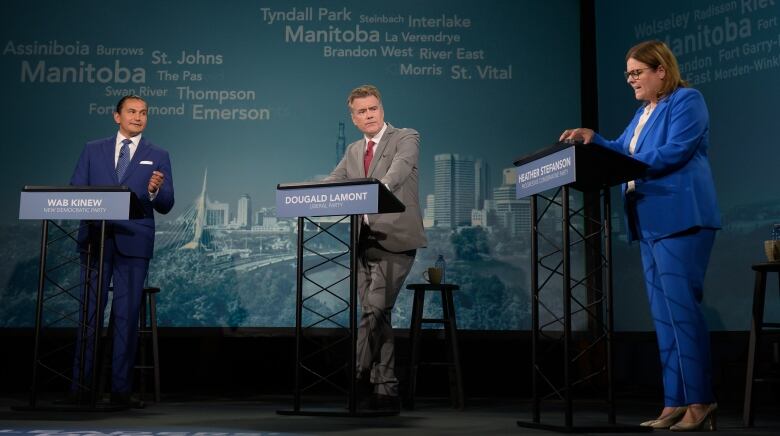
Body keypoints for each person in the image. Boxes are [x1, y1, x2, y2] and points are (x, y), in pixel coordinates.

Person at [560, 40, 720, 432]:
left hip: (680, 218)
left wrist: (617, 159)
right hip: (647, 221)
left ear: (660, 70)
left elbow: (674, 152)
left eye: (637, 72)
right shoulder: (642, 113)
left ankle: (701, 401)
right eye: (628, 74)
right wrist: (594, 139)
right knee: (664, 319)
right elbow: (621, 151)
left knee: (682, 313)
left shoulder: (687, 100)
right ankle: (674, 403)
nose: (630, 80)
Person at [324, 84, 427, 411]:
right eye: (361, 111)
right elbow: (334, 182)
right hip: (363, 243)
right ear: (353, 118)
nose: (369, 115)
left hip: (396, 241)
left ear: (381, 109)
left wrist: (377, 187)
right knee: (377, 314)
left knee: (374, 309)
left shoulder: (406, 137)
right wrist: (305, 196)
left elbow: (400, 170)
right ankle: (386, 389)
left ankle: (356, 376)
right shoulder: (354, 150)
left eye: (373, 109)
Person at [70, 95, 174, 405]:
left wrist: (155, 191)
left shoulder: (158, 154)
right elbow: (76, 190)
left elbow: (166, 203)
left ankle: (120, 390)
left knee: (126, 317)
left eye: (143, 113)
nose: (138, 117)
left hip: (134, 240)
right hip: (95, 239)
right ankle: (81, 388)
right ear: (117, 116)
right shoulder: (92, 150)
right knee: (89, 314)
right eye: (131, 111)